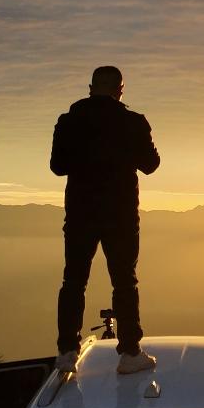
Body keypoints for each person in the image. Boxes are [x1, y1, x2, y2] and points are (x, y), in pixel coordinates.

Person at [51, 65, 160, 374]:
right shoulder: (133, 123)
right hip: (121, 215)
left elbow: (58, 166)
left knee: (73, 281)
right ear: (120, 90)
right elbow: (151, 165)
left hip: (80, 213)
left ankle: (66, 352)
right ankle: (129, 352)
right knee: (125, 281)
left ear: (90, 87)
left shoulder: (68, 122)